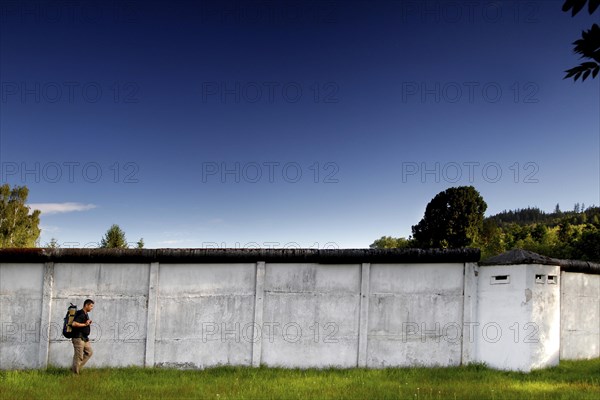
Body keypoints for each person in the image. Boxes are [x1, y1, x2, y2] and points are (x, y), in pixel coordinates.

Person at [71, 299, 94, 374]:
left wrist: (87, 322)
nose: (92, 308)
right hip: (78, 338)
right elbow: (74, 324)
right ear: (86, 305)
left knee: (89, 352)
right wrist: (85, 324)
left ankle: (75, 368)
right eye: (91, 306)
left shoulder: (85, 313)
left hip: (84, 338)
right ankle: (75, 374)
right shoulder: (81, 313)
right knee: (79, 356)